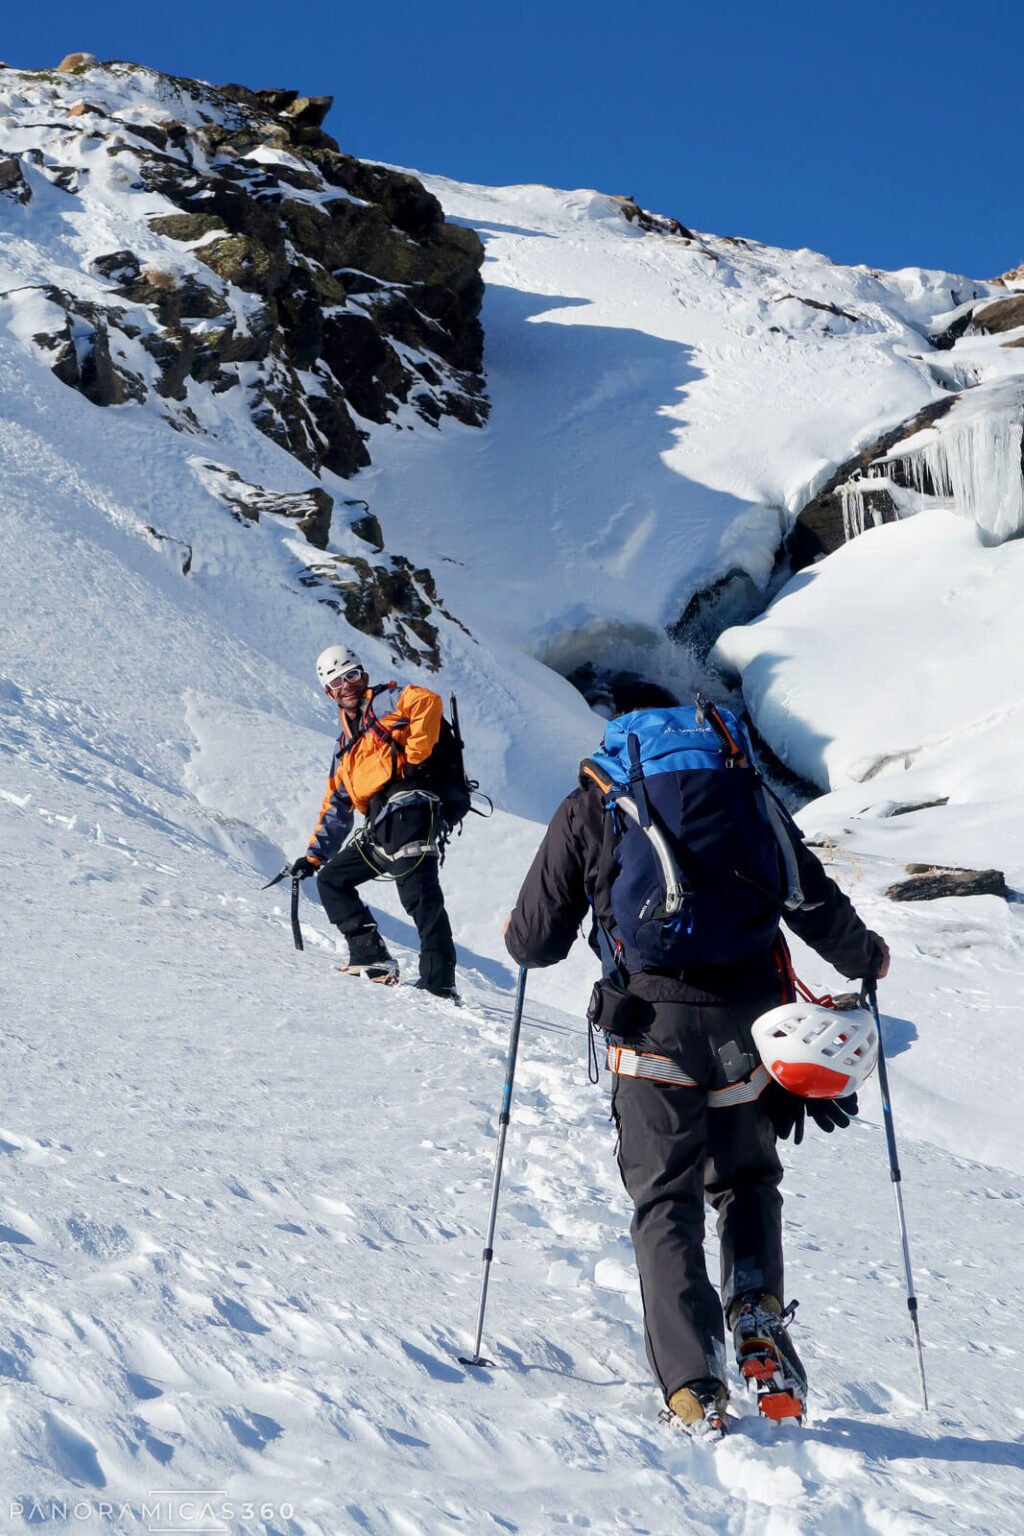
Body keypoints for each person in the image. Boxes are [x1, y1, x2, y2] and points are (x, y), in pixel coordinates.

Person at [504, 701, 889, 1438]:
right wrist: (866, 957)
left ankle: (692, 1386)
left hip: (649, 1028)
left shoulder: (594, 802)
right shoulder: (748, 793)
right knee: (746, 1180)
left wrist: (519, 937)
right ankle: (754, 1308)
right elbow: (806, 895)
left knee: (665, 1203)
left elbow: (534, 944)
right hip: (752, 1027)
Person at [291, 644, 458, 997]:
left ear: (363, 675)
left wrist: (415, 758)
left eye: (351, 675)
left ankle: (438, 981)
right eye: (337, 682)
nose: (347, 685)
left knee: (419, 896)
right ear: (329, 693)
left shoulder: (384, 701)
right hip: (382, 823)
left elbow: (427, 701)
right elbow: (337, 804)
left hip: (412, 809)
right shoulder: (344, 745)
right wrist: (313, 857)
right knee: (333, 880)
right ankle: (371, 955)